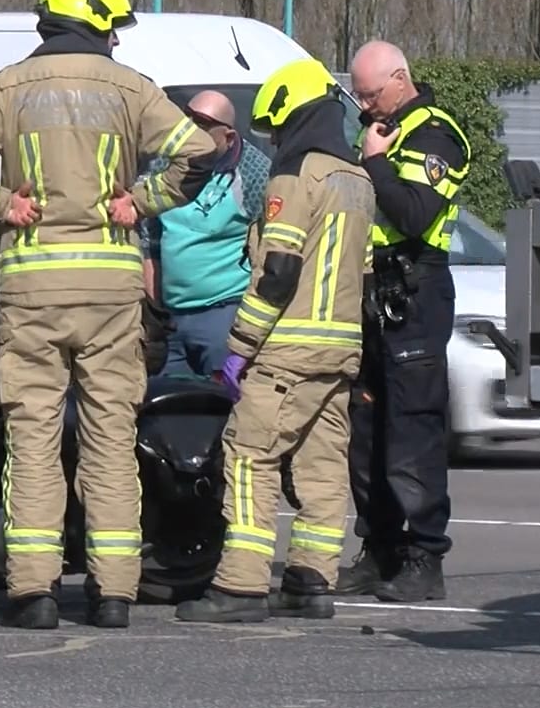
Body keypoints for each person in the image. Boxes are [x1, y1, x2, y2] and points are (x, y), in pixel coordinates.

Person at [0, 0, 217, 631]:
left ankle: (33, 593)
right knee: (110, 438)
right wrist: (139, 202)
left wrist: (3, 205)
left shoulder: (7, 87)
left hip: (33, 286)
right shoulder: (131, 88)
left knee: (31, 438)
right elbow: (197, 154)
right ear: (94, 23)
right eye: (112, 30)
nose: (117, 42)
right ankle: (113, 594)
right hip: (111, 289)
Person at [173, 59, 375, 624]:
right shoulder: (357, 179)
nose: (277, 139)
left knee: (249, 457)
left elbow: (278, 271)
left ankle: (238, 587)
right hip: (339, 351)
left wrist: (240, 346)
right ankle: (312, 581)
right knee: (321, 467)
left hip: (287, 348)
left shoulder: (294, 177)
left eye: (277, 128)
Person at [338, 39, 470, 603]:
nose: (364, 106)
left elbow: (416, 214)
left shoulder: (436, 135)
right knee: (367, 431)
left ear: (400, 79)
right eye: (359, 96)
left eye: (370, 94)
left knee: (413, 427)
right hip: (371, 293)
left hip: (415, 291)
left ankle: (424, 557)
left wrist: (371, 162)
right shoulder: (380, 131)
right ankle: (380, 548)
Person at [140, 89, 268, 381]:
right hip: (168, 321)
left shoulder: (255, 174)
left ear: (229, 137)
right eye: (185, 119)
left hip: (222, 317)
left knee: (217, 410)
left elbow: (269, 251)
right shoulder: (164, 164)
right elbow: (149, 237)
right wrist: (155, 309)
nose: (189, 131)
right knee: (167, 412)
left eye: (201, 124)